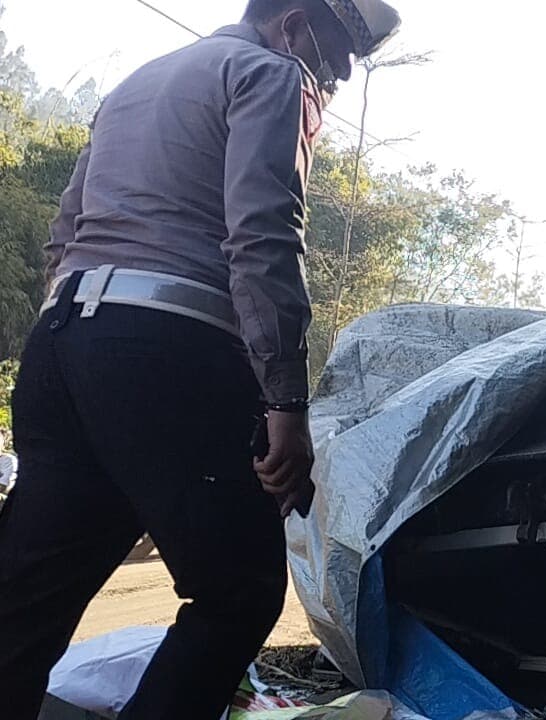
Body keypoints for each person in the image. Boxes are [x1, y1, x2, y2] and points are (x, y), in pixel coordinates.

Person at [0, 1, 400, 718]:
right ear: (295, 22)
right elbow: (264, 237)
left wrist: (80, 343)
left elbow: (63, 233)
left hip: (63, 342)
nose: (337, 76)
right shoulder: (270, 71)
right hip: (168, 351)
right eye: (337, 55)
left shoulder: (138, 83)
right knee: (238, 593)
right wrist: (286, 402)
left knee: (23, 603)